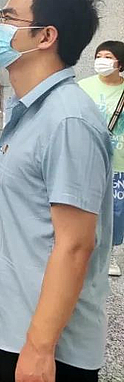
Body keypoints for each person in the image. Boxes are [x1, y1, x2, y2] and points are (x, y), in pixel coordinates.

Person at [0, 0, 111, 382]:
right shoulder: (32, 109)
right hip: (17, 323)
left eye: (8, 18)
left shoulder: (68, 120)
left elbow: (75, 244)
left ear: (46, 36)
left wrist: (39, 346)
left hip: (49, 345)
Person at [79, 40, 124, 276]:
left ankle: (109, 253)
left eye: (108, 57)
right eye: (99, 56)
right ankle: (83, 249)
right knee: (85, 205)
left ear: (120, 63)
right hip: (88, 158)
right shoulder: (83, 86)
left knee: (116, 211)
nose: (101, 61)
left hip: (119, 161)